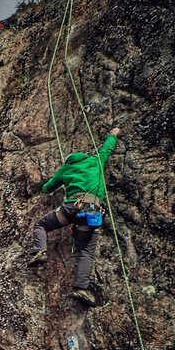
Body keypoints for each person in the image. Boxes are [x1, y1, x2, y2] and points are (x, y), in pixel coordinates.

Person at [28, 128, 120, 307]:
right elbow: (106, 149)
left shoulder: (65, 169)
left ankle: (40, 251)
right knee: (86, 250)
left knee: (41, 225)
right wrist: (113, 134)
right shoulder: (95, 161)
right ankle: (81, 288)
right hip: (92, 212)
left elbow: (48, 188)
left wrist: (55, 181)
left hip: (70, 208)